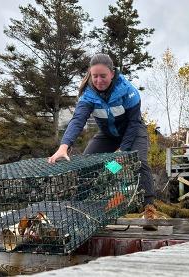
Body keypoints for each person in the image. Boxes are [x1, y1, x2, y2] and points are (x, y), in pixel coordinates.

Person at [48, 53, 157, 230]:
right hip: (108, 134)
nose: (99, 80)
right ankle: (83, 211)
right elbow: (77, 120)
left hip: (134, 131)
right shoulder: (88, 96)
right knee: (88, 164)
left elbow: (134, 123)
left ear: (112, 73)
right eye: (95, 76)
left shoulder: (128, 91)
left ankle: (149, 211)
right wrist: (64, 147)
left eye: (103, 76)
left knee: (139, 161)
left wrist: (123, 151)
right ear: (90, 75)